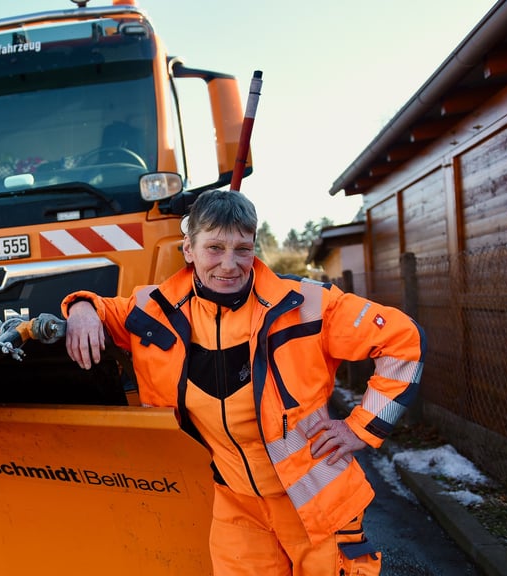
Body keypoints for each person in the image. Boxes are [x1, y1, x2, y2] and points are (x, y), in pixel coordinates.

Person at [61, 190, 423, 576]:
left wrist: (360, 428)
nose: (230, 265)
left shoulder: (306, 304)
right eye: (215, 248)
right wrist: (81, 307)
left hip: (316, 504)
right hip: (239, 509)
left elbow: (402, 339)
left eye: (243, 250)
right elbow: (105, 308)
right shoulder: (155, 310)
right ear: (189, 249)